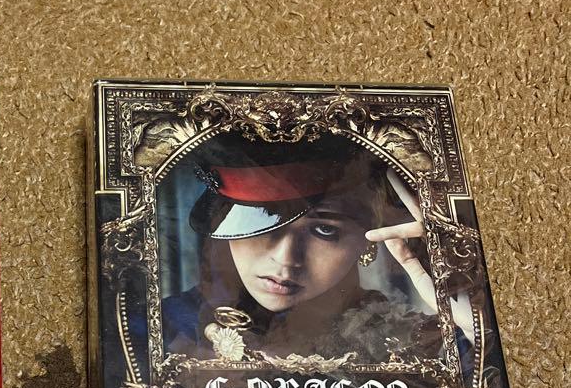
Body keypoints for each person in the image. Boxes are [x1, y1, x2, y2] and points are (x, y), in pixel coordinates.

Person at [161, 129, 473, 368]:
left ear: (369, 239)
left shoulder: (413, 339)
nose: (286, 259)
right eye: (261, 223)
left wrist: (471, 320)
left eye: (325, 230)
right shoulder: (160, 329)